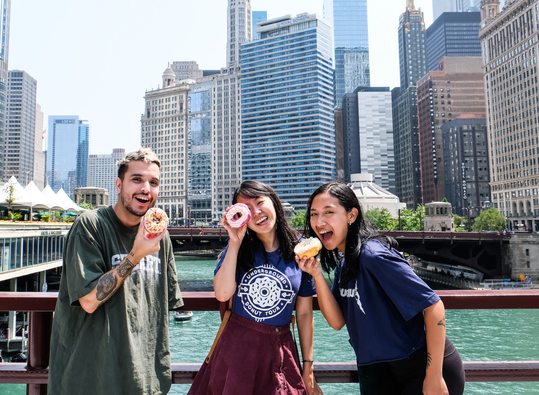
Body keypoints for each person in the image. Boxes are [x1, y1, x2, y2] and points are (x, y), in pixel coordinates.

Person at [298, 182, 465, 395]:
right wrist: (317, 274)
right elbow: (337, 321)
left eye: (329, 212)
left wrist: (433, 376)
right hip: (378, 368)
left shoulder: (372, 256)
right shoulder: (345, 263)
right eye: (314, 214)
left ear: (352, 215)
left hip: (420, 365)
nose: (319, 222)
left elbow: (434, 307)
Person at [48, 148, 183, 395]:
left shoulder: (161, 238)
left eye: (154, 182)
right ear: (119, 185)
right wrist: (136, 255)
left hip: (144, 383)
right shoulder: (90, 224)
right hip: (90, 381)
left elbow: (160, 308)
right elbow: (89, 301)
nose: (146, 188)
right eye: (137, 179)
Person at [188, 180, 321, 395]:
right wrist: (234, 241)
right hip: (237, 352)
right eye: (247, 210)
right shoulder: (238, 251)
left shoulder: (300, 250)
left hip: (281, 353)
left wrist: (308, 365)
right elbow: (222, 294)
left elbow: (304, 314)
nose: (257, 212)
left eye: (260, 202)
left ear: (274, 203)